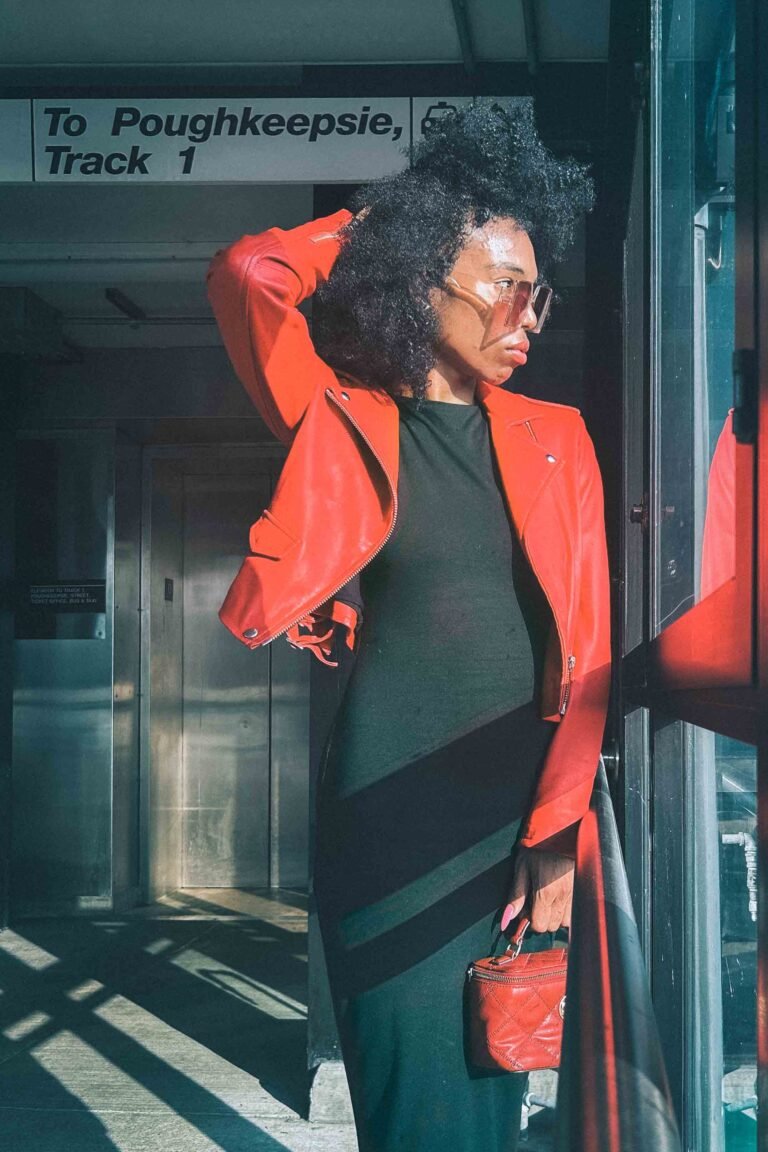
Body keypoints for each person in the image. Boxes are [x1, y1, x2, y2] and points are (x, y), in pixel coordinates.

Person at [206, 101, 611, 1152]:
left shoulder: (559, 439)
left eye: (540, 293)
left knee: (489, 1081)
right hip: (384, 809)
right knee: (403, 1095)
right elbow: (252, 274)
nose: (530, 315)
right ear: (423, 281)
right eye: (505, 285)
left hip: (511, 822)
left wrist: (554, 839)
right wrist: (389, 226)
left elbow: (590, 656)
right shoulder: (341, 415)